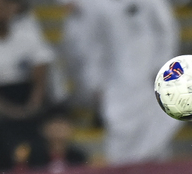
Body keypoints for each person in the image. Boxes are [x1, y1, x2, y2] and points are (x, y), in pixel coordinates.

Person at [61, 0, 181, 164]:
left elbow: (167, 31)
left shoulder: (153, 3)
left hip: (150, 83)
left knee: (157, 141)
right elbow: (90, 46)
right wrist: (95, 84)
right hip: (116, 89)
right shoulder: (95, 6)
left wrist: (161, 68)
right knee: (120, 144)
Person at [0, 0, 53, 171]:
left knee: (39, 144)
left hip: (27, 94)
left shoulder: (27, 35)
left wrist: (34, 102)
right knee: (5, 143)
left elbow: (41, 69)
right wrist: (8, 111)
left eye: (3, 7)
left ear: (14, 9)